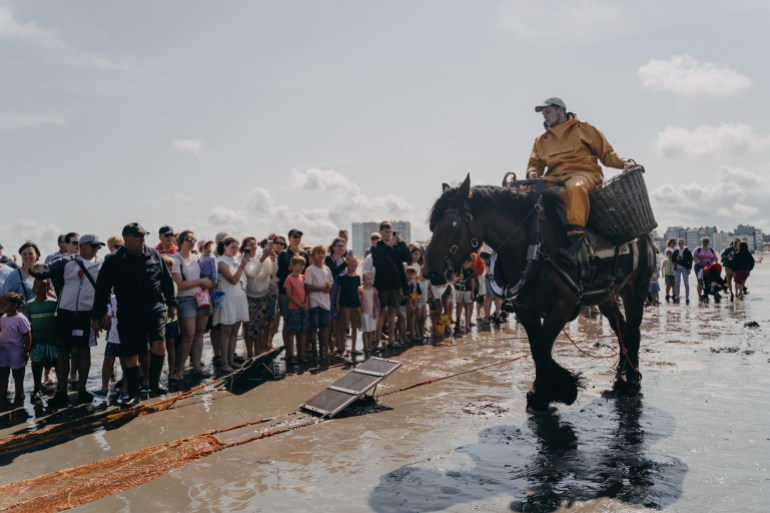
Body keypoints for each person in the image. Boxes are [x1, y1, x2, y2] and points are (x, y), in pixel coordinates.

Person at [525, 97, 637, 263]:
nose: (544, 116)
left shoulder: (584, 129)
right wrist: (533, 173)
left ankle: (575, 240)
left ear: (560, 111)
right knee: (524, 192)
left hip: (585, 174)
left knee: (574, 188)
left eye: (548, 112)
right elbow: (534, 164)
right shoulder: (541, 140)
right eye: (543, 113)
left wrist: (625, 163)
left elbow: (607, 155)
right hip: (554, 178)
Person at [91, 223, 177, 408]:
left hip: (154, 309)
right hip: (128, 312)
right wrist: (97, 317)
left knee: (159, 343)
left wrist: (172, 304)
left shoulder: (154, 255)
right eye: (138, 236)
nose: (142, 239)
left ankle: (154, 382)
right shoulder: (113, 261)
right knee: (130, 353)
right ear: (126, 238)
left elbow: (166, 281)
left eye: (144, 236)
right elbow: (102, 290)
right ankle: (133, 393)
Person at [32, 234, 105, 406]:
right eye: (93, 246)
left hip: (86, 314)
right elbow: (46, 270)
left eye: (98, 246)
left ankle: (82, 390)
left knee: (84, 350)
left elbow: (105, 291)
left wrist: (103, 314)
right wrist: (36, 269)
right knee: (63, 351)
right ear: (81, 246)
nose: (96, 249)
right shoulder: (66, 261)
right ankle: (62, 391)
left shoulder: (102, 265)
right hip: (65, 312)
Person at [170, 230, 212, 381]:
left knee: (200, 333)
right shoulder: (175, 259)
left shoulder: (196, 257)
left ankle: (197, 366)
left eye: (194, 238)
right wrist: (201, 282)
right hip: (185, 299)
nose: (193, 241)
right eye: (189, 238)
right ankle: (179, 370)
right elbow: (179, 284)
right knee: (188, 334)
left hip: (201, 297)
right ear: (181, 241)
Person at [371, 221, 411, 349]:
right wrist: (388, 246)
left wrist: (402, 243)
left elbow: (407, 257)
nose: (388, 234)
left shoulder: (397, 246)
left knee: (392, 312)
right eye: (386, 232)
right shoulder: (376, 246)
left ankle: (391, 340)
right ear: (381, 232)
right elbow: (377, 261)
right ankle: (377, 340)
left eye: (390, 232)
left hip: (396, 284)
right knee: (381, 312)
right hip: (382, 285)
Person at [213, 237, 250, 371]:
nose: (235, 250)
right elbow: (233, 279)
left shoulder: (237, 259)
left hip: (239, 296)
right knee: (226, 331)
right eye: (232, 247)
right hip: (228, 297)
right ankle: (224, 363)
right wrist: (241, 266)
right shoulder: (221, 261)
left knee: (235, 330)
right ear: (225, 247)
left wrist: (241, 265)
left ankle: (231, 360)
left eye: (237, 247)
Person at [276, 229, 310, 360]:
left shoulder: (305, 254)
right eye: (295, 236)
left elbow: (306, 274)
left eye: (299, 237)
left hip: (302, 293)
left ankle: (301, 352)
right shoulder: (283, 254)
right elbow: (281, 273)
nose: (297, 239)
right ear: (289, 238)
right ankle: (289, 352)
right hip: (287, 293)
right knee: (287, 323)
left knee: (302, 326)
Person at [23, 278, 58, 403]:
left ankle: (60, 389)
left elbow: (57, 323)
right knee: (36, 364)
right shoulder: (30, 305)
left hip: (52, 341)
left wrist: (57, 339)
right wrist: (29, 344)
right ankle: (37, 387)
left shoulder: (53, 303)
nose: (39, 290)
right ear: (33, 288)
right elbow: (27, 326)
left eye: (42, 287)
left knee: (57, 363)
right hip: (37, 341)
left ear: (48, 288)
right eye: (37, 287)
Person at [244, 236, 277, 357]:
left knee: (260, 326)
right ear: (245, 246)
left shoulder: (261, 257)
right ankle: (249, 354)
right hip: (250, 297)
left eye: (255, 243)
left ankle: (258, 354)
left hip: (263, 296)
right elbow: (252, 274)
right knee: (249, 327)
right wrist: (263, 257)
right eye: (250, 244)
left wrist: (273, 258)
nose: (254, 246)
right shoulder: (245, 259)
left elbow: (273, 271)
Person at [0, 292, 31, 410]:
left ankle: (19, 397)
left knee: (17, 374)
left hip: (16, 349)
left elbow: (27, 335)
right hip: (3, 349)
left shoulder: (21, 319)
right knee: (3, 374)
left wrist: (26, 350)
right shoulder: (2, 318)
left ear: (14, 306)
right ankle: (2, 399)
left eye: (4, 304)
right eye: (1, 304)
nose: (1, 307)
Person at [305, 245, 333, 359]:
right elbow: (307, 286)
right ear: (312, 256)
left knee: (324, 327)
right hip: (314, 302)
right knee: (314, 327)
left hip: (325, 302)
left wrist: (328, 287)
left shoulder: (327, 269)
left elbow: (331, 282)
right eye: (317, 253)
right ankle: (314, 351)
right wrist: (322, 289)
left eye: (322, 253)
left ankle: (323, 350)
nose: (321, 255)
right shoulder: (310, 269)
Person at [284, 255, 309, 363]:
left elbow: (307, 291)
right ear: (293, 265)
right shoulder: (289, 278)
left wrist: (306, 303)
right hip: (294, 308)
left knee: (302, 331)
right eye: (299, 265)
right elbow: (289, 295)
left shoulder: (303, 277)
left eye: (303, 265)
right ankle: (290, 355)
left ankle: (301, 354)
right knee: (292, 332)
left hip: (303, 307)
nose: (302, 267)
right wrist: (300, 304)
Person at [337, 256, 362, 357]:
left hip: (356, 304)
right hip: (345, 304)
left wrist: (361, 304)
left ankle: (353, 348)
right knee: (344, 327)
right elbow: (339, 292)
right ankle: (343, 348)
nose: (352, 267)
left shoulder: (357, 278)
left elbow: (359, 292)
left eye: (354, 266)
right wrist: (337, 304)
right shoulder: (342, 278)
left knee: (355, 327)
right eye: (351, 265)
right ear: (347, 265)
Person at [360, 271, 379, 355]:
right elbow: (359, 300)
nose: (369, 280)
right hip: (364, 312)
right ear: (363, 280)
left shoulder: (373, 290)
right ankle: (365, 345)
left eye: (371, 279)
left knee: (371, 330)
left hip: (371, 312)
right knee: (365, 330)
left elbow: (376, 302)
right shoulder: (361, 290)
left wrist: (376, 311)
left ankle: (370, 344)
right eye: (367, 279)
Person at [693, 237, 717, 302]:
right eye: (704, 241)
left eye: (706, 241)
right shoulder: (698, 249)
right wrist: (697, 260)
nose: (705, 243)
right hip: (699, 267)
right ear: (702, 242)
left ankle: (706, 294)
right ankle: (699, 296)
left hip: (708, 267)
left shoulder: (711, 250)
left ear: (708, 242)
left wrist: (711, 262)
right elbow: (694, 256)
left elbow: (715, 257)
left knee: (707, 281)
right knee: (700, 281)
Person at [672, 238, 693, 304]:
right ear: (678, 244)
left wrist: (689, 269)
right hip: (677, 268)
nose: (681, 244)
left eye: (682, 243)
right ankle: (677, 296)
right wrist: (676, 259)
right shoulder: (676, 251)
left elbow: (691, 260)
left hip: (685, 268)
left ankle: (687, 297)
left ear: (684, 243)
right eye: (679, 243)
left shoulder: (687, 250)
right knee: (677, 283)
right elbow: (673, 259)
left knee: (686, 283)